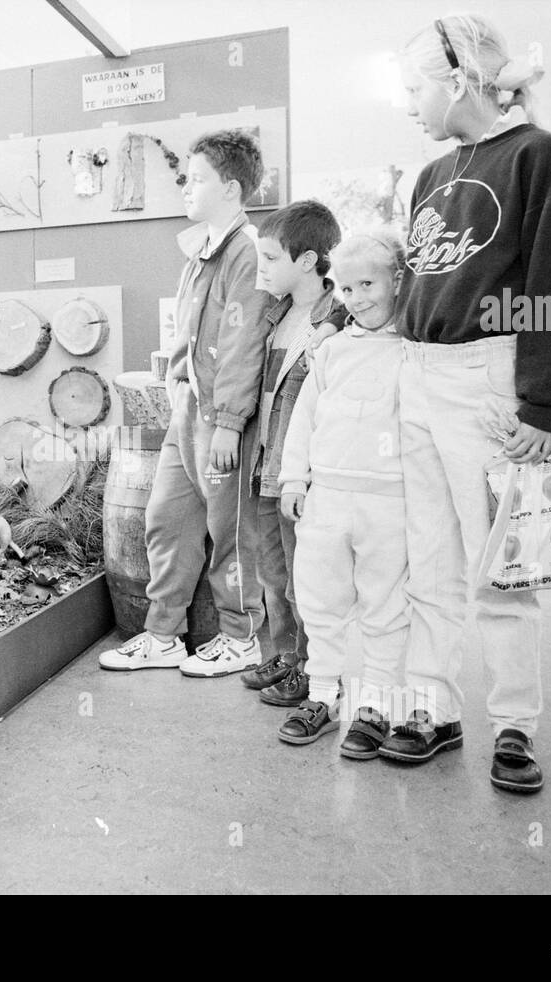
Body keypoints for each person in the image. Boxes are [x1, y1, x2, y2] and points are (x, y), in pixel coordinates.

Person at [387, 14, 551, 794]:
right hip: (419, 372)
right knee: (428, 559)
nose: (408, 104)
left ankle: (515, 726)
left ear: (459, 77)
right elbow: (421, 280)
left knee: (504, 568)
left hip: (487, 375)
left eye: (414, 88)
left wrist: (540, 403)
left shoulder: (538, 156)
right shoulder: (431, 176)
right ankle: (433, 709)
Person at [98, 129, 274, 677]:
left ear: (230, 187)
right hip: (189, 412)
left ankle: (241, 638)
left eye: (196, 179)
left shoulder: (247, 252)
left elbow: (244, 346)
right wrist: (177, 388)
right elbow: (186, 335)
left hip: (224, 421)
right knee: (165, 520)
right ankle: (163, 637)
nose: (185, 188)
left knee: (231, 533)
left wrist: (227, 424)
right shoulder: (200, 250)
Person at [274, 230, 409, 756]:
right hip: (327, 497)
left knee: (385, 605)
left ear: (398, 281)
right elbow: (303, 418)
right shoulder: (329, 351)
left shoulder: (414, 350)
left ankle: (375, 703)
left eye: (368, 284)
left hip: (389, 501)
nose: (356, 298)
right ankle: (325, 695)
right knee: (319, 600)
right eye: (345, 288)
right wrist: (293, 478)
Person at [239, 200, 345, 705]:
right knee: (273, 573)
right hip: (267, 464)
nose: (261, 268)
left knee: (307, 577)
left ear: (307, 261)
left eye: (270, 258)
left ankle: (314, 666)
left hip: (299, 471)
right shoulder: (276, 312)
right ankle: (285, 656)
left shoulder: (336, 319)